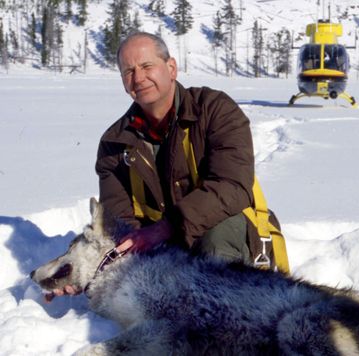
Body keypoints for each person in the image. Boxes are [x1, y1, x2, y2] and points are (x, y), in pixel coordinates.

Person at [51, 31, 263, 298]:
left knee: (216, 238)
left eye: (146, 66)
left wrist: (166, 228)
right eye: (128, 71)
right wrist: (79, 269)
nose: (138, 78)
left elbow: (232, 186)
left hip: (219, 235)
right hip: (161, 248)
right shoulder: (114, 144)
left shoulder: (215, 110)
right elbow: (119, 223)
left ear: (171, 68)